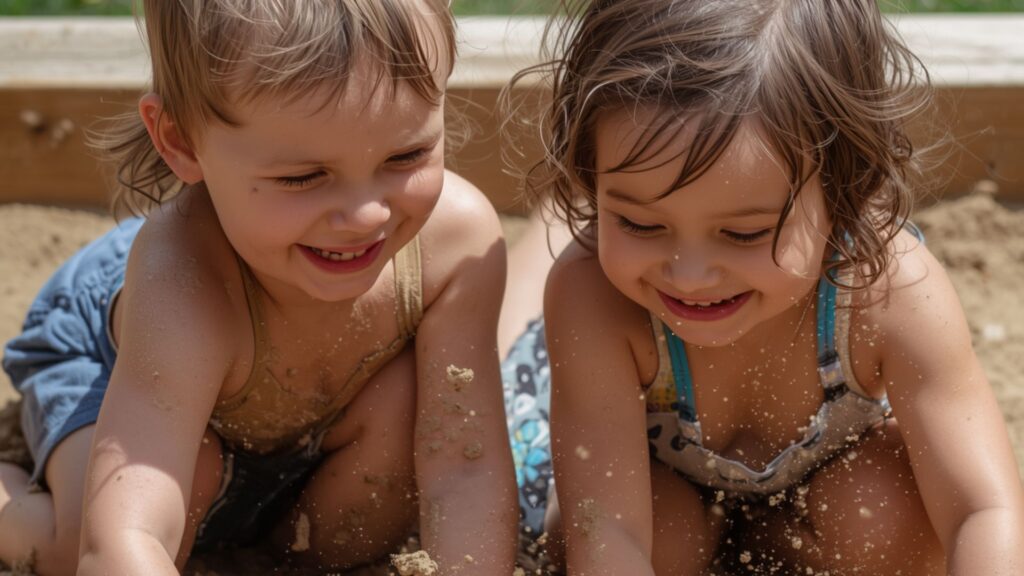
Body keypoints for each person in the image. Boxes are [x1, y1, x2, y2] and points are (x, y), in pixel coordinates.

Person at [501, 0, 1024, 574]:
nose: (689, 274)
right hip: (651, 480)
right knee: (651, 536)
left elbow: (985, 508)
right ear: (592, 179)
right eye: (640, 223)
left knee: (890, 516)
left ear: (845, 191)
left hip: (814, 491)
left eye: (744, 233)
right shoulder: (595, 293)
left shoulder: (892, 289)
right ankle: (555, 221)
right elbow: (607, 533)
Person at [0, 1, 518, 574]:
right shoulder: (186, 282)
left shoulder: (455, 244)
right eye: (302, 177)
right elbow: (126, 535)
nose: (367, 214)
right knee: (78, 546)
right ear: (180, 141)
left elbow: (464, 471)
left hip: (309, 419)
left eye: (408, 155)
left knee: (391, 457)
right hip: (119, 362)